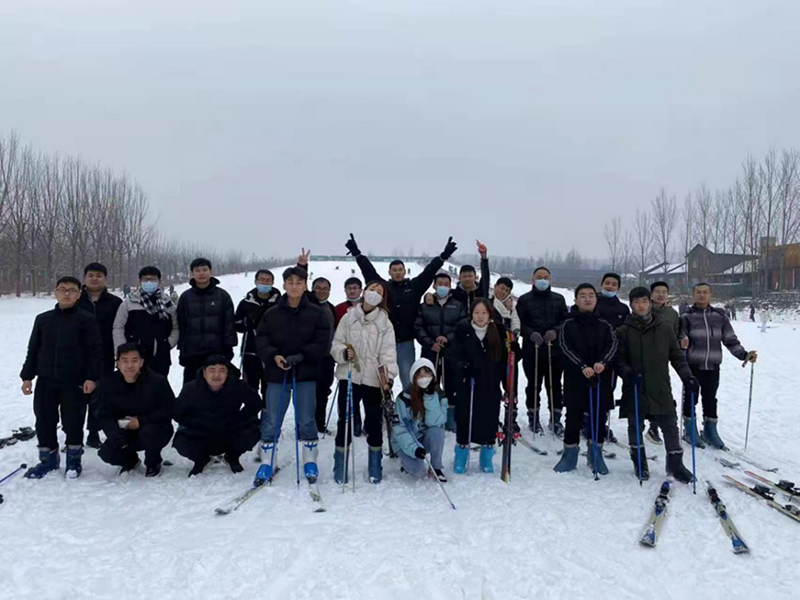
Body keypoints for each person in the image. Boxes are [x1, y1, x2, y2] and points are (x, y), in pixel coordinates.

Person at [345, 233, 457, 390]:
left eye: (400, 269)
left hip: (405, 342)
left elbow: (429, 272)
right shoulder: (384, 288)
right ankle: (384, 411)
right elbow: (368, 272)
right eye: (394, 270)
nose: (397, 272)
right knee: (381, 380)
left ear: (405, 271)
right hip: (383, 342)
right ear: (390, 272)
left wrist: (443, 256)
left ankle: (411, 410)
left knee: (409, 380)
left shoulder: (414, 287)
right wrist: (358, 254)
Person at [20, 276, 103, 479]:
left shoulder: (86, 319)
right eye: (62, 289)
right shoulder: (43, 319)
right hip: (46, 379)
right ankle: (47, 460)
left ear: (78, 294)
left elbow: (95, 351)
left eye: (72, 290)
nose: (67, 293)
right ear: (55, 292)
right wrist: (27, 377)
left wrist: (91, 377)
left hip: (74, 381)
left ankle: (74, 460)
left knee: (73, 421)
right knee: (44, 420)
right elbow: (33, 350)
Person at [255, 266, 331, 484]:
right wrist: (274, 356)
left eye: (299, 282)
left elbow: (322, 341)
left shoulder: (316, 313)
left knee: (306, 419)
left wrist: (302, 356)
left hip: (305, 373)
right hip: (276, 373)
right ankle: (267, 461)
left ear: (305, 285)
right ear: (284, 285)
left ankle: (310, 459)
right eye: (291, 282)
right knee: (272, 419)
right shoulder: (271, 313)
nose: (295, 286)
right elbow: (261, 339)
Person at [614, 287, 698, 483]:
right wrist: (627, 373)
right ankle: (639, 461)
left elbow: (677, 356)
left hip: (660, 385)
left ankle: (675, 464)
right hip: (635, 386)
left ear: (650, 303)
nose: (641, 305)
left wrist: (688, 376)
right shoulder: (623, 331)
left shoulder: (664, 329)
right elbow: (618, 360)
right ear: (631, 305)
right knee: (635, 425)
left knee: (669, 425)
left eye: (644, 301)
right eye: (636, 302)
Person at [330, 280, 397, 484]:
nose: (374, 293)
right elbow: (336, 343)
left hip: (373, 380)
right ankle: (340, 464)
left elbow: (388, 353)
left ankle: (375, 464)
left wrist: (388, 378)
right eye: (371, 289)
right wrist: (342, 353)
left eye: (379, 291)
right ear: (364, 291)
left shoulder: (385, 322)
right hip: (348, 376)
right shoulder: (349, 317)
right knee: (345, 421)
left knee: (374, 422)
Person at [679, 283, 757, 449]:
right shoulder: (686, 317)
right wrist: (682, 346)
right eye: (698, 292)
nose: (702, 295)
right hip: (693, 365)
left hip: (713, 365)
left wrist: (744, 355)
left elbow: (730, 340)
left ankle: (710, 431)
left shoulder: (720, 316)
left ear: (710, 295)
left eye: (705, 292)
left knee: (710, 399)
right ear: (693, 294)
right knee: (691, 399)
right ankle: (689, 430)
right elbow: (680, 340)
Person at [552, 284, 618, 475]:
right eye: (582, 296)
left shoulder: (605, 324)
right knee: (573, 416)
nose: (587, 299)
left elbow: (612, 345)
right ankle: (569, 454)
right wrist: (582, 366)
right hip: (576, 377)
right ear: (576, 300)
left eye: (590, 295)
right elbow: (564, 347)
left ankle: (595, 454)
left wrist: (602, 363)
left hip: (600, 377)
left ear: (596, 299)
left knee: (598, 416)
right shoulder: (567, 324)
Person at [450, 299, 515, 474]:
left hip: (490, 383)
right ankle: (461, 455)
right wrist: (463, 366)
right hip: (468, 383)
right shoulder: (462, 331)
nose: (480, 316)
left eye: (484, 313)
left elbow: (506, 363)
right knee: (465, 417)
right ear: (471, 314)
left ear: (490, 315)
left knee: (489, 418)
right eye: (477, 312)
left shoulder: (498, 333)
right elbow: (453, 355)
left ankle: (486, 455)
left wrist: (515, 350)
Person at [173, 355, 262, 476]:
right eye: (212, 370)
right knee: (181, 442)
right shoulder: (191, 388)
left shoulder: (237, 386)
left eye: (221, 370)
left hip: (229, 431)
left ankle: (232, 457)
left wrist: (239, 418)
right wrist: (196, 422)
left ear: (227, 373)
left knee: (253, 431)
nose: (216, 375)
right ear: (204, 373)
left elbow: (255, 403)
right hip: (201, 432)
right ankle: (201, 459)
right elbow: (177, 412)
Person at [95, 343, 175, 477]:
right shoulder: (109, 384)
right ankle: (130, 460)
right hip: (124, 428)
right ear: (118, 363)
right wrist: (117, 438)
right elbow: (105, 415)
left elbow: (169, 410)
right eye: (125, 361)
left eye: (134, 360)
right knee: (107, 452)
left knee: (149, 433)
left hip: (154, 428)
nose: (129, 365)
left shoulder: (157, 382)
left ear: (141, 362)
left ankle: (153, 462)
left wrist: (141, 421)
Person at [516, 266, 568, 436]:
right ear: (533, 279)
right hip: (533, 350)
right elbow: (519, 323)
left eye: (545, 277)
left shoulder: (559, 299)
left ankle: (556, 418)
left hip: (555, 351)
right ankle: (533, 417)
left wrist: (556, 330)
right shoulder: (524, 300)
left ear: (550, 279)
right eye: (539, 277)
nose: (542, 280)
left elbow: (565, 321)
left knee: (554, 386)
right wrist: (530, 333)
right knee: (534, 385)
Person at [414, 272, 468, 430]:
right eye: (440, 283)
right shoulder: (425, 306)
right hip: (431, 353)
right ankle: (429, 416)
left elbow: (463, 325)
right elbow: (418, 327)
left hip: (452, 353)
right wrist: (430, 343)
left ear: (450, 286)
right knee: (428, 384)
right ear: (434, 285)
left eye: (446, 283)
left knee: (452, 386)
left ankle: (451, 419)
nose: (443, 286)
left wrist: (448, 338)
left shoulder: (458, 305)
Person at [78, 262, 123, 448]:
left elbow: (121, 329)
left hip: (104, 356)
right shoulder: (75, 300)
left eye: (99, 275)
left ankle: (94, 432)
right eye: (91, 275)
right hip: (77, 356)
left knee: (99, 396)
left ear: (105, 278)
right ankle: (73, 434)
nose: (94, 278)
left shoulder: (115, 303)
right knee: (76, 398)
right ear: (85, 278)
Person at [176, 258, 237, 385]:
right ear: (192, 273)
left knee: (217, 387)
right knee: (191, 389)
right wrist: (182, 350)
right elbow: (182, 325)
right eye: (197, 270)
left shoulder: (222, 296)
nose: (201, 273)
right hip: (193, 352)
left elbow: (229, 324)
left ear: (210, 272)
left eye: (204, 270)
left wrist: (228, 349)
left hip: (216, 351)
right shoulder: (185, 297)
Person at [113, 266, 179, 378]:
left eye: (152, 279)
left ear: (159, 281)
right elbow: (118, 326)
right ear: (140, 281)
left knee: (158, 390)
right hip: (133, 357)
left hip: (160, 357)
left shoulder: (168, 304)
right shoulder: (129, 303)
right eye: (145, 279)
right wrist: (121, 350)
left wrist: (167, 344)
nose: (149, 282)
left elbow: (176, 327)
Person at [392, 358, 448, 482]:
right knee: (417, 470)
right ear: (414, 377)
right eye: (420, 375)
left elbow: (436, 422)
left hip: (424, 437)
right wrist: (414, 448)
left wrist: (429, 396)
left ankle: (436, 468)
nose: (424, 379)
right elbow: (399, 428)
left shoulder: (439, 395)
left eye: (427, 374)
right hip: (406, 441)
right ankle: (406, 463)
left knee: (437, 431)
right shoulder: (404, 398)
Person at [593, 272, 629, 444]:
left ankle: (602, 423)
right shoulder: (593, 302)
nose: (610, 286)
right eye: (607, 283)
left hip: (612, 357)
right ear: (601, 284)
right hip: (592, 353)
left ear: (618, 287)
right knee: (589, 388)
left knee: (607, 391)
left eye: (614, 284)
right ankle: (587, 422)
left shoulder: (622, 309)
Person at [233, 269, 281, 395]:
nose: (264, 283)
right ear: (255, 281)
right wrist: (246, 322)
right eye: (261, 280)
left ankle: (268, 414)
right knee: (250, 388)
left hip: (272, 351)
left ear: (272, 282)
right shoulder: (246, 302)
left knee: (270, 388)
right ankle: (251, 414)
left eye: (267, 280)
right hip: (251, 351)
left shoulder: (280, 302)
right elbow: (236, 325)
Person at [645, 280, 679, 444]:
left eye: (664, 292)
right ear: (651, 294)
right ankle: (638, 426)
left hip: (663, 360)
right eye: (657, 291)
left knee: (662, 392)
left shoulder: (672, 314)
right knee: (643, 392)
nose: (660, 294)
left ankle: (654, 427)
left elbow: (678, 334)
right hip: (642, 357)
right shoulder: (643, 309)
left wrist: (683, 340)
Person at [333, 276, 364, 433]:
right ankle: (352, 421)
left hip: (367, 358)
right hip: (347, 356)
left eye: (355, 288)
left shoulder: (368, 307)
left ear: (361, 289)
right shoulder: (338, 309)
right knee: (348, 393)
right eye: (349, 288)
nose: (352, 291)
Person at [452, 240, 491, 313]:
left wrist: (484, 257)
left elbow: (486, 277)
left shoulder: (481, 292)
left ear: (475, 277)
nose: (467, 279)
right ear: (459, 278)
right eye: (464, 276)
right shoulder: (453, 294)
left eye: (470, 276)